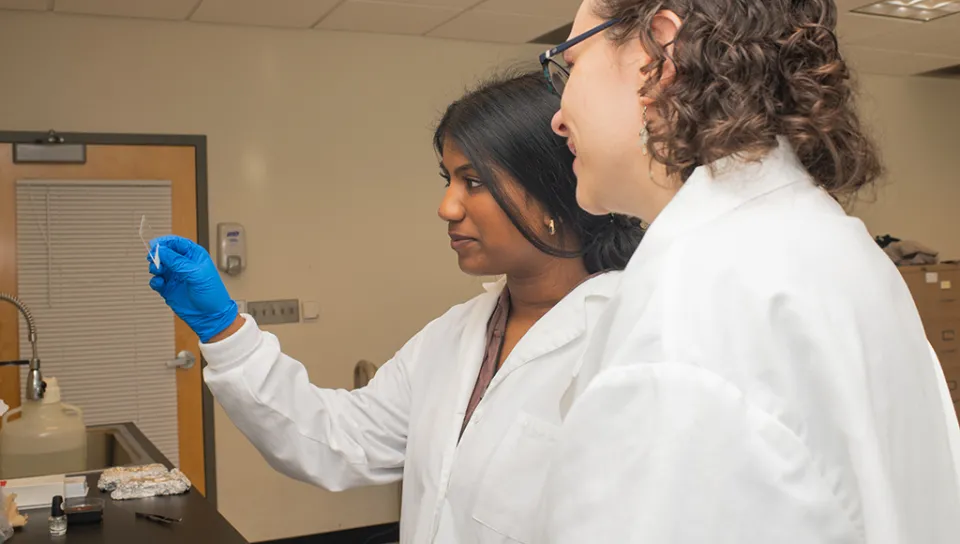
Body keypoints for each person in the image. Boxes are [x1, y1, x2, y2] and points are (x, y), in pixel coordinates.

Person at [146, 72, 644, 544]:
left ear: (553, 190)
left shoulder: (630, 338)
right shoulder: (455, 335)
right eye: (448, 180)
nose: (447, 207)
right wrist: (225, 329)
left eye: (473, 182)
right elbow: (337, 440)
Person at [533, 1, 960, 543]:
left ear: (658, 56)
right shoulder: (836, 247)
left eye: (569, 65)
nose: (557, 117)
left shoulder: (689, 311)